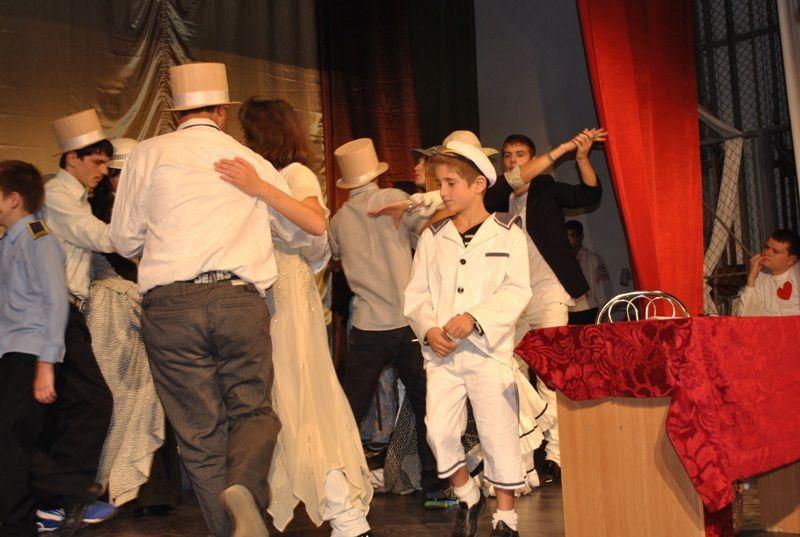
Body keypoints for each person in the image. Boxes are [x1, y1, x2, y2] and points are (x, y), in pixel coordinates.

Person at [110, 62, 325, 537]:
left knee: (199, 432)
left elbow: (123, 239)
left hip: (171, 305)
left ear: (176, 112)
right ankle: (244, 484)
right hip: (238, 299)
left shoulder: (148, 153)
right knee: (252, 411)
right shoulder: (251, 163)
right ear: (223, 111)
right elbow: (305, 234)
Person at [217, 97, 373, 537]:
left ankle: (345, 513)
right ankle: (334, 513)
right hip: (265, 292)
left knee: (302, 398)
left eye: (248, 133)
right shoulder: (263, 177)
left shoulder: (294, 174)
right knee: (279, 400)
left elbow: (314, 226)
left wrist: (259, 188)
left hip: (287, 292)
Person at [405, 141, 533, 537]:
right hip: (442, 354)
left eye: (451, 183)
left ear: (478, 184)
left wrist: (475, 318)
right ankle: (467, 494)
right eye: (439, 183)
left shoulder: (507, 232)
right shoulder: (433, 236)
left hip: (487, 352)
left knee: (498, 433)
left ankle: (506, 518)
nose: (442, 192)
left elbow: (517, 290)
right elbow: (417, 294)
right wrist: (429, 329)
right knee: (438, 431)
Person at [328, 138, 447, 505]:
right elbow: (432, 223)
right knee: (427, 405)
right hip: (407, 321)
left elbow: (334, 257)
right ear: (376, 172)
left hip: (367, 325)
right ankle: (435, 485)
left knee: (350, 409)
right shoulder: (395, 198)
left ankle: (339, 484)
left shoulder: (339, 220)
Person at [85, 137, 182, 513]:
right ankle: (116, 486)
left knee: (150, 394)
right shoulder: (99, 210)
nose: (121, 180)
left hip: (145, 306)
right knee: (125, 395)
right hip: (112, 310)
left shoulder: (150, 206)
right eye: (115, 174)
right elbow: (120, 256)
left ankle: (149, 492)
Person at [38, 109, 116, 534]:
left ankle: (54, 503)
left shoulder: (76, 198)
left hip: (66, 308)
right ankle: (64, 495)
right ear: (72, 158)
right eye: (97, 162)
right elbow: (98, 236)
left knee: (65, 404)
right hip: (54, 308)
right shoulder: (57, 195)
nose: (103, 172)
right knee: (91, 400)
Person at [0, 160, 69, 537]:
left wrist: (46, 362)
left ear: (13, 199)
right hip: (10, 352)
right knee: (11, 439)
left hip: (29, 351)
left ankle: (25, 519)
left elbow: (55, 302)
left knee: (14, 439)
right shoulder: (9, 241)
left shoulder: (37, 238)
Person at [734, 229, 800, 316]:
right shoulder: (760, 276)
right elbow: (745, 316)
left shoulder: (796, 273)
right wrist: (751, 278)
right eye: (766, 247)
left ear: (791, 260)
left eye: (775, 251)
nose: (767, 253)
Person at [565, 220, 614, 324]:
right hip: (570, 311)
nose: (569, 240)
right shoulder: (563, 260)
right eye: (566, 236)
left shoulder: (591, 258)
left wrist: (604, 311)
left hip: (588, 310)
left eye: (572, 235)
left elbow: (602, 287)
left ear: (581, 237)